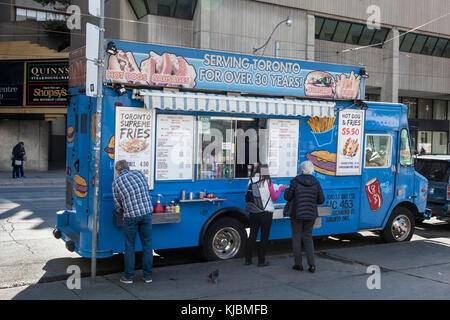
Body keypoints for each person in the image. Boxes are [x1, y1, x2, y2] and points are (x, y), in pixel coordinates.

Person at [112, 160, 153, 284]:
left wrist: (123, 210)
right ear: (128, 167)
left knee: (129, 246)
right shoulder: (139, 174)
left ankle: (129, 277)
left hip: (131, 216)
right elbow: (146, 189)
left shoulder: (116, 183)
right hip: (146, 213)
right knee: (147, 244)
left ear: (117, 171)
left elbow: (118, 205)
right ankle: (148, 276)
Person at [284, 161, 324, 273]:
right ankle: (312, 265)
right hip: (311, 215)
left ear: (301, 170)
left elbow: (287, 197)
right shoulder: (316, 182)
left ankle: (298, 264)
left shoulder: (295, 181)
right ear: (311, 170)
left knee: (296, 238)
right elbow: (321, 200)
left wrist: (288, 188)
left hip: (297, 214)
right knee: (308, 238)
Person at [245, 163, 285, 267]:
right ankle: (261, 261)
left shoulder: (251, 181)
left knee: (252, 236)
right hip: (266, 214)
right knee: (264, 237)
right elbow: (275, 197)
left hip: (254, 213)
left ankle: (248, 260)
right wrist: (281, 188)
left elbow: (248, 196)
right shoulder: (268, 182)